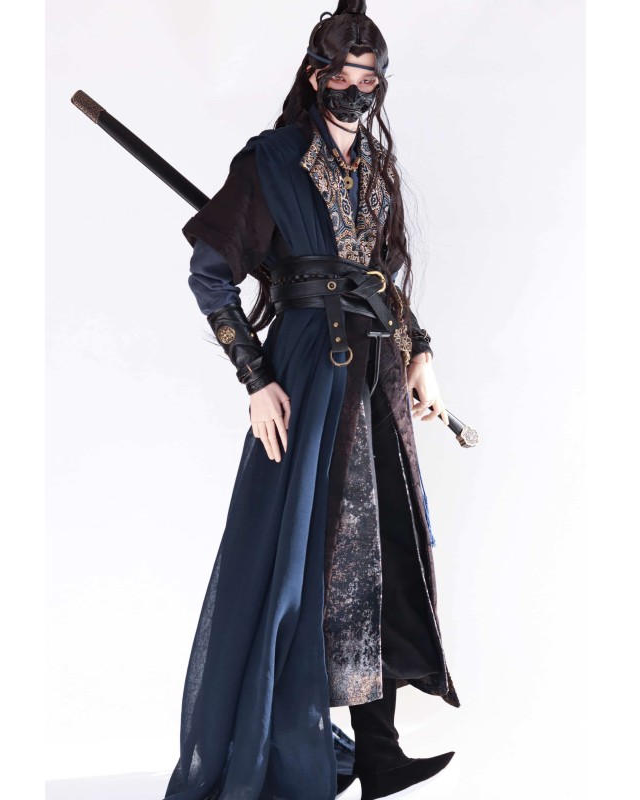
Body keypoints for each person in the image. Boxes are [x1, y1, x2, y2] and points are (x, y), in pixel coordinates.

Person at [163, 3, 459, 799]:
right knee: (309, 559)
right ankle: (283, 747)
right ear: (315, 75)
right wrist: (255, 378)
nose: (358, 92)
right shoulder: (271, 160)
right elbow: (210, 274)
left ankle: (381, 753)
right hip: (310, 378)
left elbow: (381, 280)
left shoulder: (374, 170)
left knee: (380, 547)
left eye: (371, 80)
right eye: (344, 76)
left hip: (377, 379)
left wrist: (421, 353)